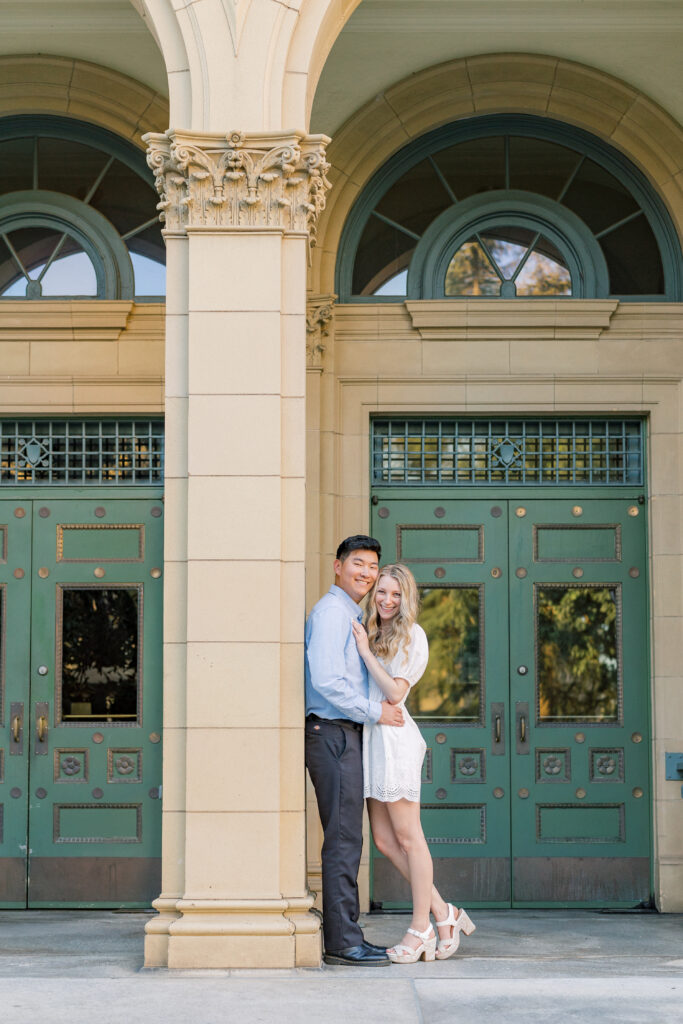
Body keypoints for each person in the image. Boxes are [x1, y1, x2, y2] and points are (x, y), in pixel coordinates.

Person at [351, 563, 476, 964]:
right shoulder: (374, 630)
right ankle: (444, 912)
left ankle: (421, 927)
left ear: (406, 599)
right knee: (385, 841)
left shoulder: (412, 636)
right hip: (372, 741)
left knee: (409, 837)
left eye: (395, 594)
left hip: (396, 741)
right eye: (381, 592)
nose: (387, 600)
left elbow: (394, 694)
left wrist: (365, 652)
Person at [304, 535, 405, 967]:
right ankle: (343, 941)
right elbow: (326, 682)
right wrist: (375, 712)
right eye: (357, 563)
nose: (366, 573)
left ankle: (348, 933)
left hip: (343, 733)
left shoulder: (350, 614)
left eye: (372, 566)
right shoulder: (332, 613)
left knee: (348, 836)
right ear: (338, 566)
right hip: (333, 732)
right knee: (344, 838)